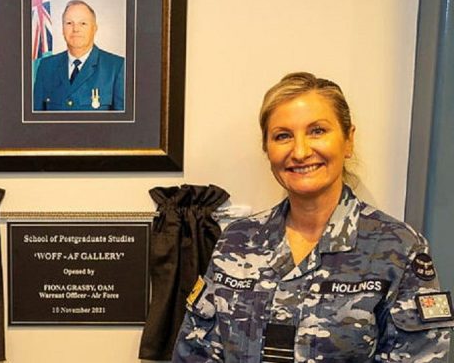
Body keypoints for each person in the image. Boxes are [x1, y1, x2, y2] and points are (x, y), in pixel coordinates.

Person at [172, 72, 453, 362]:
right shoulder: (237, 240)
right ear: (267, 149)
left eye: (317, 131)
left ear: (348, 141)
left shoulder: (398, 249)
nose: (301, 151)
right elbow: (194, 352)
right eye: (283, 136)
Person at [33, 0, 125, 111]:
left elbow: (122, 126)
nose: (76, 29)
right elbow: (35, 122)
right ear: (62, 29)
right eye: (69, 23)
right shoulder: (46, 67)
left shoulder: (116, 67)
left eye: (83, 23)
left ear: (94, 28)